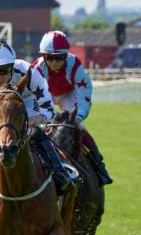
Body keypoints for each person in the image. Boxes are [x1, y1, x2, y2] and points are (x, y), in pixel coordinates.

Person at [0, 41, 74, 206]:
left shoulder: (29, 72)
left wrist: (36, 119)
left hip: (26, 103)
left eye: (3, 71)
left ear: (11, 66)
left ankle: (59, 173)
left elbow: (49, 109)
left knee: (34, 133)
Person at [33, 30, 113, 185]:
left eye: (59, 58)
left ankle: (99, 166)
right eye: (50, 58)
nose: (55, 63)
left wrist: (79, 116)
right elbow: (33, 97)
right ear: (43, 56)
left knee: (79, 127)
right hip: (45, 96)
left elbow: (84, 92)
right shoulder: (37, 69)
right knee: (38, 129)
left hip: (68, 95)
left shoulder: (74, 65)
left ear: (66, 56)